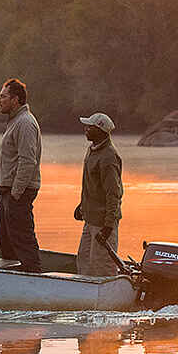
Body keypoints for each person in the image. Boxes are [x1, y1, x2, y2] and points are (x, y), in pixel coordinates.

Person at [0, 78, 44, 272]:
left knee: (22, 239)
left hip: (18, 192)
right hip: (9, 191)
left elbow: (27, 161)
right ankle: (13, 281)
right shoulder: (15, 120)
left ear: (15, 99)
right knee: (8, 242)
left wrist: (15, 193)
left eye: (3, 96)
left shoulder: (25, 123)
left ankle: (33, 276)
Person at [73, 112, 124, 276]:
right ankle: (84, 300)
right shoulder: (93, 150)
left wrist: (108, 226)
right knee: (84, 260)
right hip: (90, 219)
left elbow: (113, 193)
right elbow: (92, 185)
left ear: (101, 130)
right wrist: (82, 205)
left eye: (90, 127)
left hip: (103, 222)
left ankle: (108, 300)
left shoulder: (109, 157)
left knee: (102, 266)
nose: (86, 129)